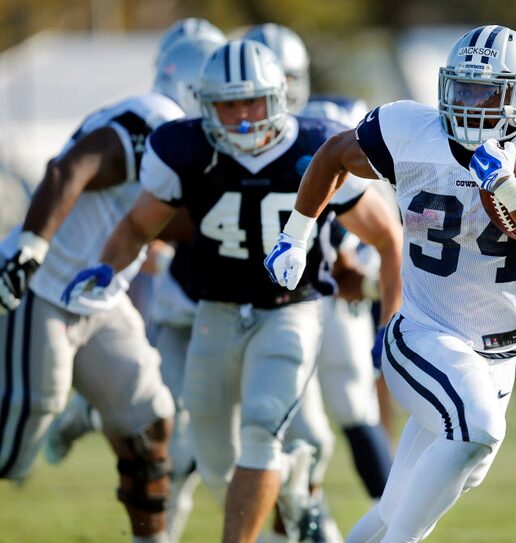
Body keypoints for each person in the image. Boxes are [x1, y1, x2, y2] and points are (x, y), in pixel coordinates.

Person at [266, 25, 516, 543]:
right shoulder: (410, 130)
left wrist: (509, 188)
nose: (472, 103)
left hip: (499, 353)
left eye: (490, 91)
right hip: (423, 333)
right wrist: (296, 234)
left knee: (398, 508)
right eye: (463, 88)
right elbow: (332, 154)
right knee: (478, 430)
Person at [63, 39, 403, 543]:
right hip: (215, 310)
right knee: (215, 458)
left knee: (263, 429)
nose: (243, 118)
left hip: (291, 309)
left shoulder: (316, 144)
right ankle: (290, 480)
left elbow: (387, 237)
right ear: (205, 104)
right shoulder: (184, 148)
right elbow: (138, 226)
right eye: (228, 104)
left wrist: (389, 324)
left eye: (254, 102)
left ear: (280, 98)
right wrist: (109, 268)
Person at [0, 34, 218, 543]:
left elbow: (170, 223)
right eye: (224, 100)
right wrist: (30, 244)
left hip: (100, 299)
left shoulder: (183, 136)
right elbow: (70, 168)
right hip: (47, 289)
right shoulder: (155, 118)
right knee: (13, 450)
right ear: (193, 90)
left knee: (151, 425)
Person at [245, 22, 395, 510]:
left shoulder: (331, 121)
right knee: (279, 424)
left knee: (353, 402)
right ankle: (300, 512)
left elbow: (380, 213)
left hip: (325, 288)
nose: (277, 91)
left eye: (285, 77)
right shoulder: (228, 131)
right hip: (247, 297)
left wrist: (364, 267)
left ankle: (394, 518)